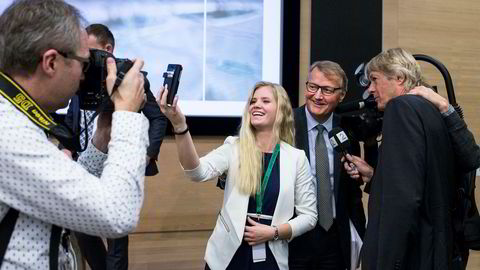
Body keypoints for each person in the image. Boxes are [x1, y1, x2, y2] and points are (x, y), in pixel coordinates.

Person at [0, 0, 148, 269]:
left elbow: (64, 189)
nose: (84, 74)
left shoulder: (13, 117)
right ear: (51, 62)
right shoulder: (8, 133)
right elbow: (117, 215)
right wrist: (127, 114)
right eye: (84, 62)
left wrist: (103, 136)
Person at [157, 81, 317, 270]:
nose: (256, 105)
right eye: (253, 101)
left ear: (281, 110)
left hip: (271, 255)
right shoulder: (234, 147)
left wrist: (273, 232)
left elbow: (309, 216)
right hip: (227, 257)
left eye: (265, 101)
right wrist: (179, 125)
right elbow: (196, 172)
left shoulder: (296, 158)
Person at [61, 23, 167, 270]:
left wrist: (150, 155)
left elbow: (158, 117)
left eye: (91, 53)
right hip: (83, 166)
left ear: (107, 49)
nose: (84, 61)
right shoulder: (81, 76)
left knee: (116, 237)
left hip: (114, 166)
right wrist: (65, 148)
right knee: (82, 229)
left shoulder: (128, 77)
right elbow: (70, 120)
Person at [344, 47, 459, 270]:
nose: (370, 89)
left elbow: (404, 199)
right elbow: (419, 181)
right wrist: (374, 176)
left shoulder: (401, 108)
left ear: (399, 78)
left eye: (375, 80)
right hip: (432, 250)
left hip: (407, 256)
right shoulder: (430, 109)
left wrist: (387, 261)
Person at [288, 60, 366, 270]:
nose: (318, 96)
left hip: (335, 236)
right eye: (312, 87)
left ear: (341, 95)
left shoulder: (348, 130)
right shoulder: (285, 126)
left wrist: (361, 233)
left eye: (327, 90)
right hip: (293, 235)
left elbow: (352, 191)